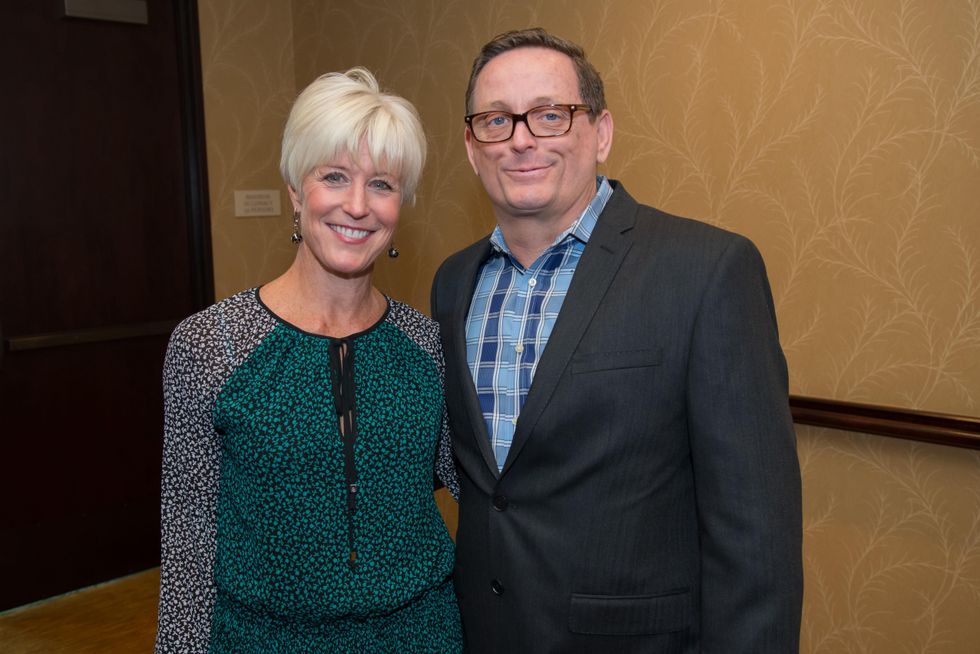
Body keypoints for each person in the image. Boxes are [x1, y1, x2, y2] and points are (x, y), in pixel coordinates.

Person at [430, 28, 803, 653]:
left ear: (600, 132)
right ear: (472, 147)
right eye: (496, 121)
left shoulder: (705, 271)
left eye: (550, 115)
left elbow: (756, 535)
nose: (521, 139)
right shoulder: (453, 282)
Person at [156, 68, 462, 653]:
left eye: (382, 184)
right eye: (334, 177)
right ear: (296, 191)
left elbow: (484, 489)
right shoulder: (210, 346)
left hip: (423, 636)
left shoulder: (426, 345)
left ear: (401, 205)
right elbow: (189, 543)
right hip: (265, 640)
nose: (356, 206)